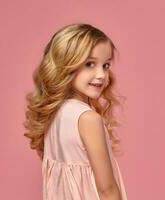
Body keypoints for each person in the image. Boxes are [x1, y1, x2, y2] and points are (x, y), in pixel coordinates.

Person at [23, 23, 128, 200]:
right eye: (89, 64)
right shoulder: (88, 119)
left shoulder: (54, 113)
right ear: (66, 65)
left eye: (106, 65)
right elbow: (107, 190)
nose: (101, 74)